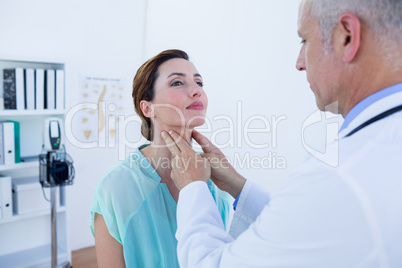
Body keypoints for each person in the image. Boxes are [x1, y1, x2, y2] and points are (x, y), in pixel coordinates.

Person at [161, 0, 402, 267]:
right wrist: (238, 186)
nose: (299, 63)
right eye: (177, 82)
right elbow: (308, 228)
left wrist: (193, 188)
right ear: (146, 108)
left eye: (305, 41)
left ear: (347, 36)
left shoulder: (341, 175)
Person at [89, 49, 230, 267]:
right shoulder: (116, 186)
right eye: (177, 83)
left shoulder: (218, 182)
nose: (196, 91)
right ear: (148, 108)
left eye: (199, 83)